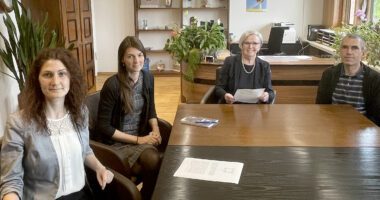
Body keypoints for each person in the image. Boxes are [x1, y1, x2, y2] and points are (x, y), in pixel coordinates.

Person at [0, 48, 114, 200]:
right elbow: (11, 182)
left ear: (70, 78)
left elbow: (85, 150)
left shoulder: (80, 113)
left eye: (62, 73)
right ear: (37, 80)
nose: (55, 81)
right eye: (48, 75)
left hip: (81, 195)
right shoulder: (18, 123)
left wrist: (100, 168)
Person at [96, 36, 163, 200]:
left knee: (155, 161)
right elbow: (103, 127)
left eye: (140, 55)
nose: (136, 61)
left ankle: (145, 195)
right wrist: (140, 140)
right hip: (116, 144)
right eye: (130, 56)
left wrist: (156, 130)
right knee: (154, 160)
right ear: (122, 60)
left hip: (140, 136)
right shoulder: (112, 85)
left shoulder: (148, 78)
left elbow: (151, 109)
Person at [316, 34, 380, 126]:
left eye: (354, 48)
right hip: (332, 127)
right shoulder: (329, 74)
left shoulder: (375, 79)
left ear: (363, 54)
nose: (349, 52)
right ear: (340, 51)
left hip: (362, 130)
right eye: (345, 47)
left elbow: (377, 116)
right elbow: (321, 107)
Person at [215, 30, 275, 104]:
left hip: (256, 109)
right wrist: (225, 95)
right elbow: (219, 88)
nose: (250, 46)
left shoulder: (264, 65)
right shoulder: (230, 62)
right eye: (247, 43)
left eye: (255, 43)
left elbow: (270, 91)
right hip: (232, 107)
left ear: (260, 46)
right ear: (241, 45)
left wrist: (267, 96)